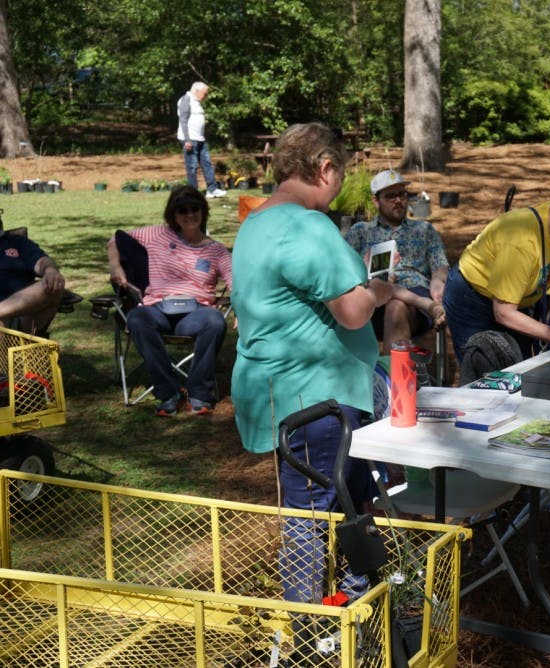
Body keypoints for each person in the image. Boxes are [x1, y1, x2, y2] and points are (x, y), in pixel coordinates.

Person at [230, 123, 414, 622]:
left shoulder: (256, 222)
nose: (340, 188)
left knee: (340, 503)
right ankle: (316, 630)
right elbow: (354, 311)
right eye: (341, 175)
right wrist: (383, 290)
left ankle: (354, 612)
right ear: (324, 168)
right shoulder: (306, 226)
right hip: (314, 398)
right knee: (312, 517)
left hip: (283, 393)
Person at [441, 178, 550, 366]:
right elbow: (503, 313)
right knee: (485, 371)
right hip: (472, 298)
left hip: (517, 301)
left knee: (520, 370)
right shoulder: (522, 240)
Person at [107, 185, 232, 416]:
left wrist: (243, 310)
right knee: (137, 318)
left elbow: (235, 283)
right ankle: (169, 391)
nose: (189, 215)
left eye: (194, 208)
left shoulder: (217, 251)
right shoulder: (159, 235)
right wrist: (116, 268)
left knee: (214, 321)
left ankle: (199, 394)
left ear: (203, 211)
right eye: (182, 210)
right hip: (158, 307)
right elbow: (115, 239)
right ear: (173, 215)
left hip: (197, 312)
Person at [344, 169, 448, 353]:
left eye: (402, 194)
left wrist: (438, 280)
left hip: (415, 299)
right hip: (372, 299)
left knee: (396, 306)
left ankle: (390, 377)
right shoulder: (360, 231)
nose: (398, 200)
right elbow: (345, 270)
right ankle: (393, 375)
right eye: (391, 196)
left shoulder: (424, 229)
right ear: (376, 201)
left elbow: (439, 264)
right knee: (388, 299)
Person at [0, 230, 66, 335]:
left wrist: (50, 270)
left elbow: (42, 261)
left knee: (53, 284)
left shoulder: (17, 242)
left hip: (22, 315)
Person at [177, 82, 227, 198]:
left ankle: (212, 189)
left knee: (207, 164)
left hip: (200, 139)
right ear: (196, 90)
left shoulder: (197, 102)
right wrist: (187, 140)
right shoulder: (185, 100)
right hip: (190, 139)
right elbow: (183, 121)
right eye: (204, 94)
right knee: (192, 167)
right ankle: (193, 193)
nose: (205, 96)